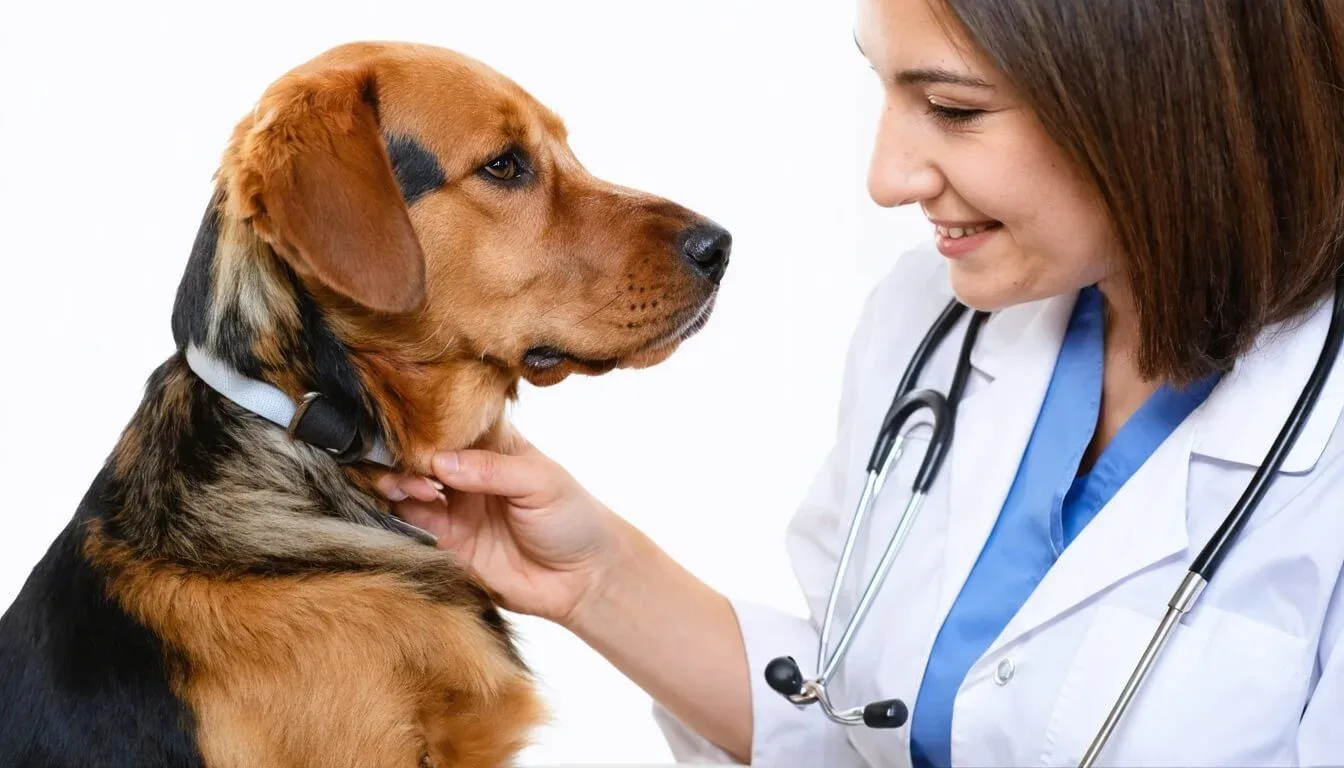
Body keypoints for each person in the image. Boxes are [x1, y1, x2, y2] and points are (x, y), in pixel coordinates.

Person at [377, 0, 1344, 765]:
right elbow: (844, 724)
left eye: (955, 110)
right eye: (882, 89)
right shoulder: (936, 317)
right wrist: (593, 578)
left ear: (1160, 103)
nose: (886, 177)